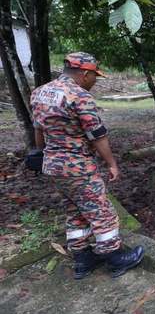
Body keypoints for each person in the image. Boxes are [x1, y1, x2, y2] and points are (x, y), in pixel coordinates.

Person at [30, 52, 144, 279]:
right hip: (77, 167)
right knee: (102, 211)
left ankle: (83, 259)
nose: (95, 81)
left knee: (75, 210)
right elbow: (97, 135)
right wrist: (112, 164)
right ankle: (115, 258)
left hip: (53, 167)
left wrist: (43, 154)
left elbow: (38, 131)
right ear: (84, 74)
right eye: (94, 76)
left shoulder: (39, 93)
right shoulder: (79, 96)